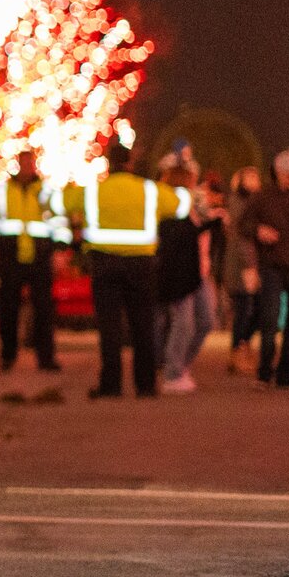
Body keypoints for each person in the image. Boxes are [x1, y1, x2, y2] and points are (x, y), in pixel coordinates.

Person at [63, 143, 191, 399]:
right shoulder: (150, 191)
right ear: (131, 164)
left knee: (109, 327)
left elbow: (62, 202)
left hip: (104, 264)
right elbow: (181, 207)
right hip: (141, 266)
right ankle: (145, 385)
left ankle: (111, 384)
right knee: (142, 325)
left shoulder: (93, 192)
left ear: (109, 164)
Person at [0, 149, 64, 371]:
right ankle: (8, 355)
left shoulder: (46, 192)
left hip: (39, 255)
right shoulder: (1, 191)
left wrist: (61, 250)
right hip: (9, 254)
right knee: (8, 309)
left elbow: (60, 222)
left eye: (29, 163)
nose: (26, 167)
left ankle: (46, 357)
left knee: (43, 310)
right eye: (23, 163)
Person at [154, 158, 221, 393]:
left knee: (206, 320)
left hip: (200, 270)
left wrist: (212, 221)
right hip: (182, 273)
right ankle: (173, 371)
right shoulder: (172, 204)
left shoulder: (194, 204)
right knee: (184, 323)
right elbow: (181, 236)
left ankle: (180, 367)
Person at [237, 149, 289, 390]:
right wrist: (259, 230)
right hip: (271, 264)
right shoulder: (262, 197)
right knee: (269, 318)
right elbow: (243, 225)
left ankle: (285, 373)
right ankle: (264, 371)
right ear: (278, 173)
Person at [223, 165, 263, 373]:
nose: (253, 180)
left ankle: (241, 346)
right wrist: (249, 265)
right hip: (242, 263)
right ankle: (236, 352)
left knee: (256, 308)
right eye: (249, 176)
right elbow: (240, 234)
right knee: (244, 308)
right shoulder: (239, 201)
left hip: (254, 262)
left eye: (256, 176)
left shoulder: (258, 201)